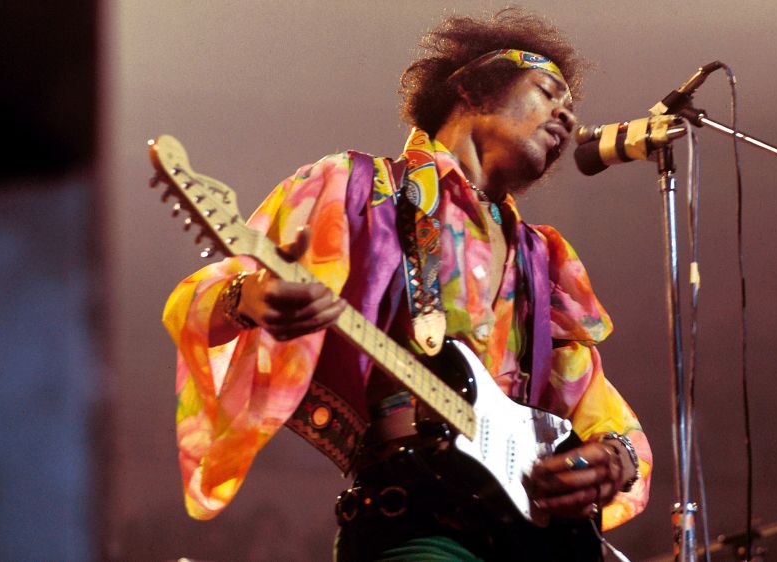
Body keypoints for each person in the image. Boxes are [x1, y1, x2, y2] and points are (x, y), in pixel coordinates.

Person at [163, 8, 651, 561]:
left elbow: (596, 407)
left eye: (570, 105)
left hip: (526, 538)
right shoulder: (357, 189)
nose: (566, 114)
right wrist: (248, 298)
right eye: (547, 90)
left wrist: (614, 458)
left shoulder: (545, 259)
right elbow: (193, 300)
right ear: (472, 89)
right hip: (414, 519)